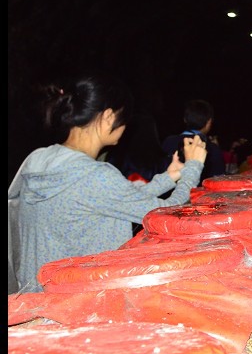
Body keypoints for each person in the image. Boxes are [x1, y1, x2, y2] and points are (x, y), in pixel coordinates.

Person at [8, 73, 207, 293]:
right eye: (124, 119)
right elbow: (168, 216)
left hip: (36, 294)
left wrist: (170, 177)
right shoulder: (96, 176)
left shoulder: (38, 160)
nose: (124, 127)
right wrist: (193, 168)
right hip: (77, 302)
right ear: (109, 117)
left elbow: (112, 198)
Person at [161, 98, 225, 182]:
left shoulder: (168, 142)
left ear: (185, 119)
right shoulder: (211, 148)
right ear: (209, 122)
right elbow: (219, 179)